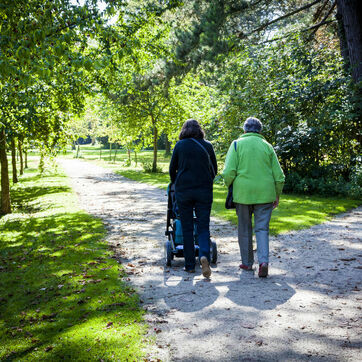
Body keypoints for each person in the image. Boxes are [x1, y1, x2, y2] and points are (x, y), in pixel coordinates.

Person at [222, 117, 285, 277]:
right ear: (260, 131)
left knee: (244, 228)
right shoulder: (267, 147)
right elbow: (279, 176)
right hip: (265, 194)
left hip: (242, 194)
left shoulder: (236, 144)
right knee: (262, 229)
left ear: (244, 130)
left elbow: (229, 172)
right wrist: (277, 194)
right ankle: (263, 262)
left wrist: (228, 184)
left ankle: (247, 263)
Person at [169, 119, 217, 278]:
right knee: (203, 226)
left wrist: (176, 182)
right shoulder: (207, 145)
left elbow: (172, 170)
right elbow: (214, 170)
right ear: (199, 130)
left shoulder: (179, 145)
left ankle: (189, 265)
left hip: (184, 191)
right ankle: (204, 256)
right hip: (204, 191)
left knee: (187, 227)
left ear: (184, 130)